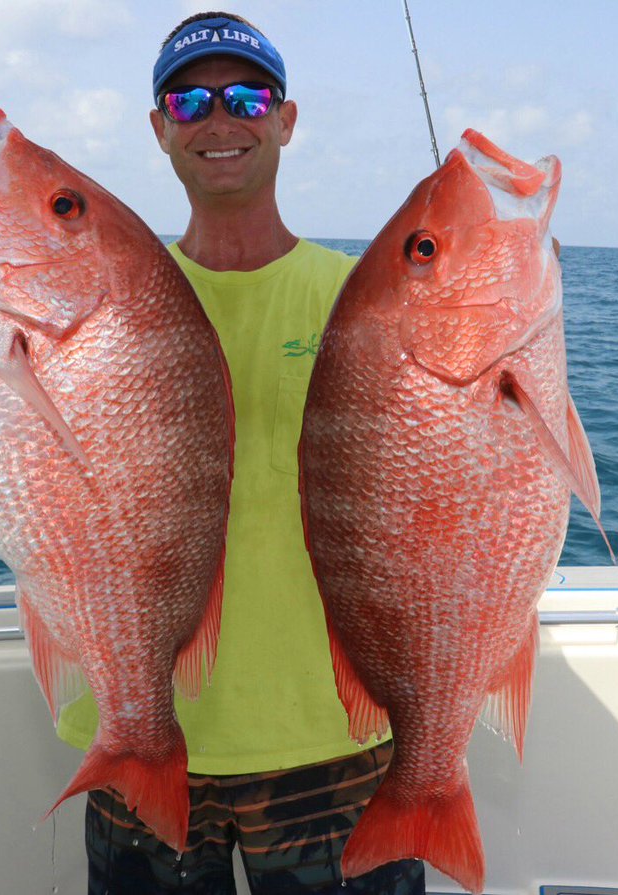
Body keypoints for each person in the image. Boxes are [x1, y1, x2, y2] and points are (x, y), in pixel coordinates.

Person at [56, 11, 427, 895]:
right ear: (160, 129)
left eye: (247, 97)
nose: (219, 119)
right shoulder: (98, 302)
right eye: (189, 102)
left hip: (333, 737)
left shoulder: (370, 297)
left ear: (286, 119)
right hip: (136, 725)